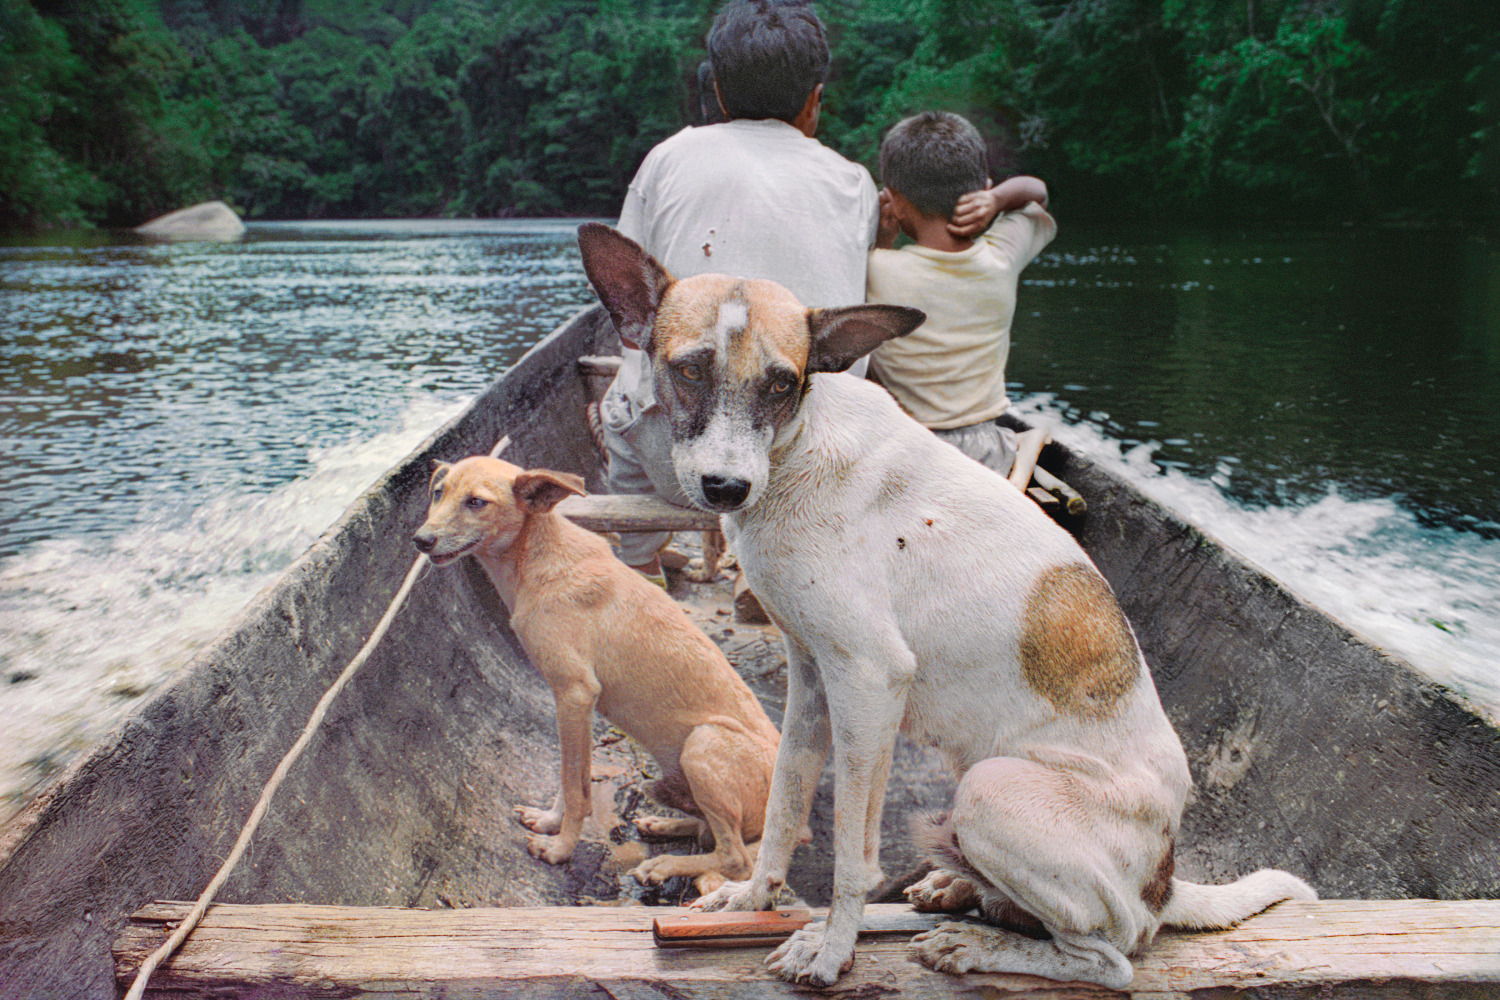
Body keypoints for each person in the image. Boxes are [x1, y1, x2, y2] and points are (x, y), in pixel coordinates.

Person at [600, 0, 879, 583]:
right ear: (814, 100)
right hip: (810, 460)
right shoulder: (854, 181)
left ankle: (637, 561)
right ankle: (767, 570)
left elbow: (629, 296)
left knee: (621, 397)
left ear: (718, 92)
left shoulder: (667, 158)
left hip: (676, 462)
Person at [865, 111, 1056, 477]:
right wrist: (999, 198)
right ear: (982, 189)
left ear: (895, 201)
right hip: (988, 457)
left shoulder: (875, 269)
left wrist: (883, 239)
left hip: (905, 453)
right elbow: (1039, 194)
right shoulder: (1003, 256)